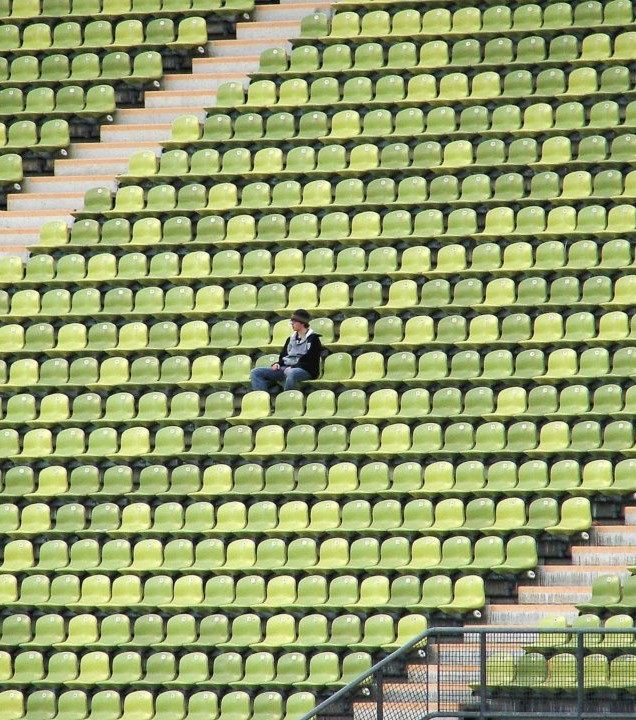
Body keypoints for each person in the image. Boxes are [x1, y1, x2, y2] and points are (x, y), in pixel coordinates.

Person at [250, 309, 323, 392]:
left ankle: (286, 399)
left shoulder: (313, 339)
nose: (292, 323)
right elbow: (283, 356)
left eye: (294, 321)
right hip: (287, 368)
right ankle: (263, 400)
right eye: (291, 321)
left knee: (291, 373)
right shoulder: (290, 339)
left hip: (305, 370)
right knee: (255, 372)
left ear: (302, 322)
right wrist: (277, 364)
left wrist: (293, 367)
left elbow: (311, 361)